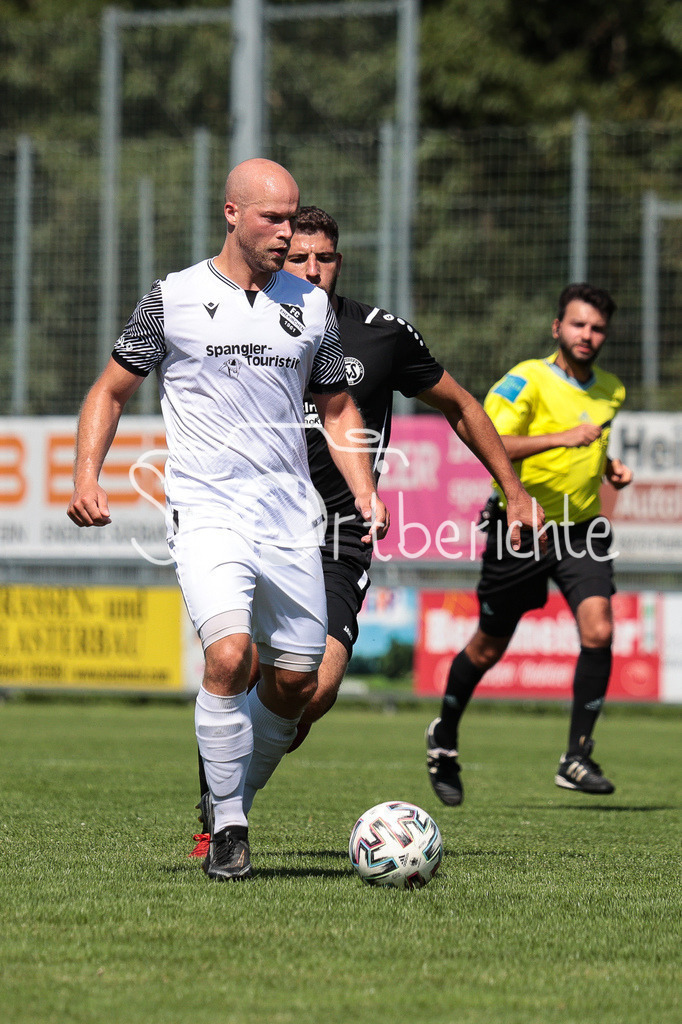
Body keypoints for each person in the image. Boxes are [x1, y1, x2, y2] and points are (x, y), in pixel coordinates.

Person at [67, 160, 389, 882]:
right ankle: (233, 832)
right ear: (232, 214)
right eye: (274, 218)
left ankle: (228, 798)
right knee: (228, 656)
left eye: (293, 216)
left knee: (297, 684)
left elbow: (337, 408)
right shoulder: (172, 298)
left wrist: (364, 489)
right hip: (208, 510)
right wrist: (86, 475)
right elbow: (111, 391)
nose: (287, 232)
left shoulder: (308, 308)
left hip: (289, 518)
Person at [188, 204, 543, 857]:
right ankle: (225, 815)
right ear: (278, 257)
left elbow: (462, 407)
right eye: (300, 258)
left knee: (312, 687)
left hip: (337, 530)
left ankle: (232, 778)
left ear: (339, 262)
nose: (314, 269)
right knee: (239, 660)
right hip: (246, 519)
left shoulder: (380, 335)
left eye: (325, 258)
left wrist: (514, 491)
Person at [425, 282, 633, 806]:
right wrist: (560, 439)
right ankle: (444, 738)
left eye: (597, 328)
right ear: (557, 328)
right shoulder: (527, 379)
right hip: (521, 527)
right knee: (490, 645)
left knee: (599, 628)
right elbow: (485, 436)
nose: (588, 335)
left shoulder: (611, 389)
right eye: (579, 324)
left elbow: (590, 448)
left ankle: (577, 757)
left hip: (582, 528)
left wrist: (607, 467)